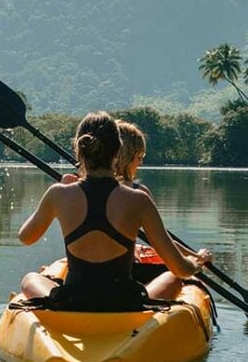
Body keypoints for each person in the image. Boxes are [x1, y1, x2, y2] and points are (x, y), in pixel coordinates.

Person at [18, 112, 212, 311]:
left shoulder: (58, 194)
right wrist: (196, 263)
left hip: (73, 300)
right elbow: (180, 269)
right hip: (125, 302)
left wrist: (57, 192)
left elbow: (25, 237)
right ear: (118, 150)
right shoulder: (139, 199)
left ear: (79, 149)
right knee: (173, 278)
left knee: (30, 279)